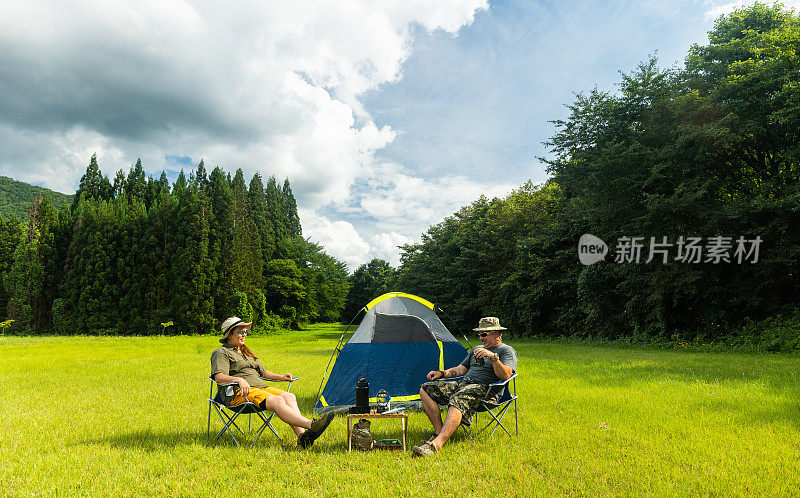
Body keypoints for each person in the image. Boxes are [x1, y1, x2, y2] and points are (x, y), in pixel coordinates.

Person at [210, 316, 333, 449]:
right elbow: (219, 377)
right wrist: (239, 380)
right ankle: (311, 425)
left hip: (260, 388)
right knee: (277, 401)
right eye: (240, 332)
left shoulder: (246, 352)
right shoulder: (221, 352)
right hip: (239, 393)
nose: (244, 334)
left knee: (289, 396)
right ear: (229, 334)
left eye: (245, 331)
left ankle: (303, 437)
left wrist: (281, 377)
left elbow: (263, 373)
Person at [412, 316, 517, 457]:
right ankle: (438, 432)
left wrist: (493, 358)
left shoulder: (506, 351)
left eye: (484, 334)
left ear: (496, 333)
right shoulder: (477, 349)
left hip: (486, 390)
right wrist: (442, 373)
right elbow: (461, 369)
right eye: (479, 334)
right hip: (464, 384)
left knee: (458, 397)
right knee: (426, 389)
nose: (481, 338)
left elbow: (505, 375)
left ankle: (436, 445)